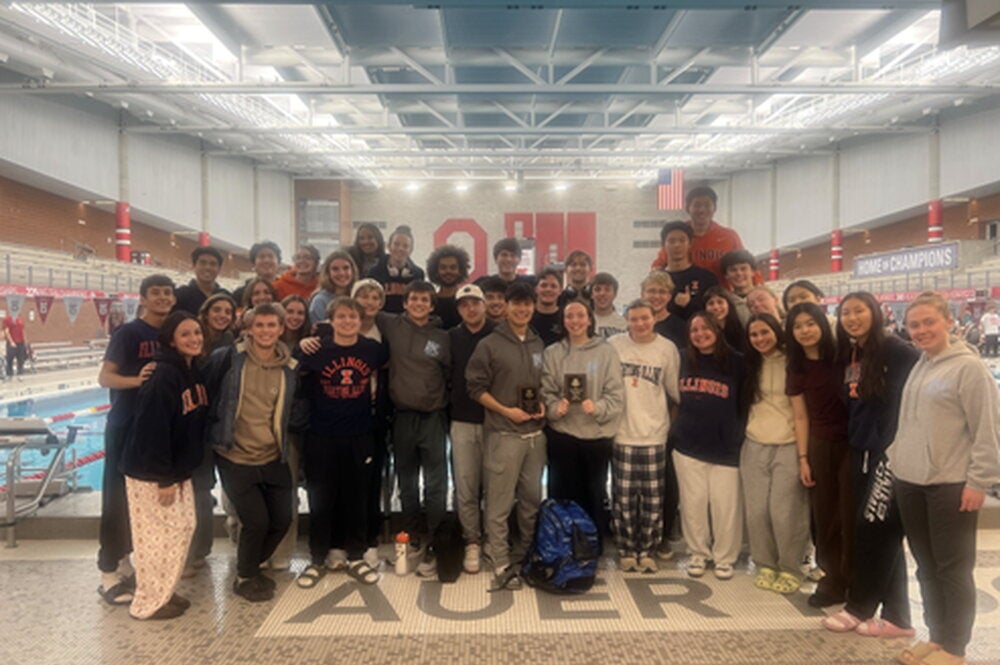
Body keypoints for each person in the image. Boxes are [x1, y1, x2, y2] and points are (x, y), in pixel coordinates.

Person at [888, 292, 1000, 665]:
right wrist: (896, 460)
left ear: (949, 321)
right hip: (912, 481)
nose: (921, 330)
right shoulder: (922, 364)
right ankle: (936, 637)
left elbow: (987, 430)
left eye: (929, 322)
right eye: (914, 324)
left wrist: (979, 482)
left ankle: (956, 648)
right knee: (926, 566)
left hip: (950, 484)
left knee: (953, 568)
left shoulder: (968, 368)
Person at [821, 292, 919, 638]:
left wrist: (895, 443)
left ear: (874, 313)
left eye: (858, 311)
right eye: (845, 312)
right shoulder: (854, 353)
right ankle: (898, 618)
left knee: (875, 531)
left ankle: (860, 606)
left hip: (888, 453)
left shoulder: (898, 350)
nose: (851, 318)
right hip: (862, 450)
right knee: (878, 531)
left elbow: (916, 396)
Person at [205, 302, 299, 602]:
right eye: (259, 325)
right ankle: (244, 577)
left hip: (273, 454)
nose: (266, 331)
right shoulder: (228, 359)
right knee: (256, 521)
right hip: (235, 455)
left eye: (272, 325)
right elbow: (207, 396)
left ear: (281, 329)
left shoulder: (289, 367)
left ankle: (253, 564)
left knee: (283, 518)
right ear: (249, 329)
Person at [119, 311, 209, 620]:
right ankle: (147, 603)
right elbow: (151, 430)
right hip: (153, 474)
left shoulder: (189, 369)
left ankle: (163, 592)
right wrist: (163, 478)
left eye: (197, 332)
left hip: (177, 470)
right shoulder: (162, 376)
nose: (194, 338)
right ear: (171, 339)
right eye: (186, 334)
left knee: (181, 530)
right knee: (156, 540)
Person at [295, 297, 386, 589]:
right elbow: (292, 370)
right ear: (331, 320)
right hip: (321, 435)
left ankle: (356, 555)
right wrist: (305, 343)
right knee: (321, 497)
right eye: (342, 317)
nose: (348, 322)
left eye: (353, 317)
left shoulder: (372, 350)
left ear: (361, 321)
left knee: (357, 496)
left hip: (359, 434)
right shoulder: (315, 348)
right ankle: (318, 556)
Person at [96, 274, 175, 606]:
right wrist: (136, 380)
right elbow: (104, 377)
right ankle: (107, 572)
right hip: (126, 426)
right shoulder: (128, 333)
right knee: (116, 500)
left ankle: (127, 562)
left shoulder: (171, 335)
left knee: (142, 504)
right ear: (142, 298)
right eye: (155, 293)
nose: (162, 298)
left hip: (154, 428)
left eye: (167, 292)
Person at [466, 281, 546, 591]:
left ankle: (525, 554)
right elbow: (475, 388)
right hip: (503, 435)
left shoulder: (539, 342)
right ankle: (498, 559)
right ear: (505, 307)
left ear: (533, 307)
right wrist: (505, 410)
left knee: (530, 502)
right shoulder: (489, 344)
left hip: (535, 436)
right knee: (499, 504)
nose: (523, 309)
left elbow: (544, 385)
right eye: (517, 304)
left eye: (528, 304)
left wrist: (541, 406)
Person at [377, 281, 450, 576]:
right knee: (407, 484)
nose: (419, 303)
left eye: (425, 300)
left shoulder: (443, 338)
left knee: (436, 484)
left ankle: (434, 541)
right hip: (403, 417)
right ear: (405, 303)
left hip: (433, 417)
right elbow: (358, 310)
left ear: (432, 305)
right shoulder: (391, 325)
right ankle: (411, 540)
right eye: (414, 299)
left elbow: (451, 374)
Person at [785, 301, 853, 608]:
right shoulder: (796, 367)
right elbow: (801, 417)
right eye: (798, 326)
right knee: (824, 516)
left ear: (822, 324)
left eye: (810, 323)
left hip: (855, 442)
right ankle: (833, 580)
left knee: (850, 514)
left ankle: (857, 578)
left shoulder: (844, 356)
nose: (805, 330)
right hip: (821, 445)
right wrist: (803, 458)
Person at [608, 299, 680, 573]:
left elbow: (675, 392)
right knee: (623, 498)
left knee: (652, 500)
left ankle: (647, 550)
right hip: (622, 433)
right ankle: (627, 550)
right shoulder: (614, 345)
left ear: (654, 318)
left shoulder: (666, 348)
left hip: (654, 435)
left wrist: (668, 425)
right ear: (627, 321)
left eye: (644, 318)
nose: (639, 324)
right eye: (634, 319)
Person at [672, 312, 745, 580]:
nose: (700, 333)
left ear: (716, 329)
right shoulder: (681, 358)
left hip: (726, 445)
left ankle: (725, 557)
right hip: (688, 443)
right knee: (693, 504)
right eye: (694, 330)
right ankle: (698, 553)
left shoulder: (737, 361)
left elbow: (746, 401)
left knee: (725, 506)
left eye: (705, 328)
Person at [541, 299, 623, 536]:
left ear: (589, 319)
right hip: (562, 435)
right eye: (569, 316)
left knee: (594, 493)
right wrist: (556, 407)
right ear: (563, 321)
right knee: (562, 493)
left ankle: (592, 545)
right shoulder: (553, 353)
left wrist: (597, 407)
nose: (575, 321)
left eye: (580, 315)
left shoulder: (606, 351)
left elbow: (616, 393)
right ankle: (562, 545)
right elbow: (545, 391)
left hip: (596, 437)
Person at [740, 313, 809, 594]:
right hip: (754, 443)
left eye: (764, 332)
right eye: (754, 334)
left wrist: (803, 456)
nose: (760, 339)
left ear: (776, 331)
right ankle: (765, 563)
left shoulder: (792, 361)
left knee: (785, 512)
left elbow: (801, 413)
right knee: (756, 511)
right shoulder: (749, 364)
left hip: (788, 444)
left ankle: (791, 567)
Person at [448, 284, 496, 574]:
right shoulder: (451, 337)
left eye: (475, 303)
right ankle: (472, 541)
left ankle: (493, 538)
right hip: (462, 420)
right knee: (466, 486)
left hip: (495, 420)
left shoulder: (499, 334)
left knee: (495, 488)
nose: (471, 308)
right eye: (464, 304)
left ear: (485, 304)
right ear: (459, 309)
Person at [351, 279, 390, 566]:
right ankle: (344, 538)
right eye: (363, 296)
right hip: (342, 414)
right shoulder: (334, 329)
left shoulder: (385, 333)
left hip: (375, 415)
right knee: (346, 480)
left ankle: (370, 538)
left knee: (373, 478)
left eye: (375, 297)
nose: (369, 301)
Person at [651, 186, 745, 283]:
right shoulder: (678, 236)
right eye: (697, 205)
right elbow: (659, 264)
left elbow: (745, 264)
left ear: (715, 208)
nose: (701, 210)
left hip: (719, 294)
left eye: (707, 205)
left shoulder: (729, 236)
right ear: (688, 208)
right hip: (686, 294)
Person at [658, 221, 719, 320]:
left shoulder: (707, 278)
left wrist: (689, 304)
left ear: (690, 244)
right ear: (663, 245)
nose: (677, 245)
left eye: (682, 240)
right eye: (671, 241)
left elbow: (715, 314)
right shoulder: (656, 280)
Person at [368, 225, 425, 314]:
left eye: (405, 246)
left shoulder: (418, 274)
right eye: (396, 244)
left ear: (411, 250)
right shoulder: (374, 272)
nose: (400, 249)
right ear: (389, 246)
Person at [172, 246, 229, 315]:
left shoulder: (226, 296)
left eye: (213, 264)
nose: (207, 267)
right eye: (202, 263)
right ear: (194, 265)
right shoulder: (180, 295)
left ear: (219, 269)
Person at [426, 244, 471, 330]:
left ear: (460, 271)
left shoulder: (466, 301)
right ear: (436, 271)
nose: (448, 271)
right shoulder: (430, 302)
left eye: (453, 267)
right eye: (443, 267)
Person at [308, 250, 359, 324]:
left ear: (352, 270)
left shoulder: (359, 297)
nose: (341, 273)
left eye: (346, 268)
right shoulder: (320, 301)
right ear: (328, 273)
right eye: (335, 269)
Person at [642, 271, 685, 350]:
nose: (657, 296)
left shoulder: (680, 327)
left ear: (669, 297)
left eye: (662, 292)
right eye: (652, 291)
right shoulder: (633, 324)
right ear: (642, 294)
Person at [232, 241, 281, 306]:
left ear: (278, 263)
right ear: (253, 264)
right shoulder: (239, 294)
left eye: (270, 256)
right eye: (261, 256)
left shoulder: (286, 290)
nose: (266, 260)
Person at [703, 286, 745, 352]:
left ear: (729, 305)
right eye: (711, 303)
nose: (716, 307)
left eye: (720, 302)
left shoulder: (741, 326)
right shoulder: (704, 333)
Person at [531, 267, 564, 346]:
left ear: (560, 290)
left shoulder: (566, 318)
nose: (548, 289)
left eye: (553, 286)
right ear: (536, 289)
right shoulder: (526, 316)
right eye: (544, 285)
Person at [720, 249, 755, 324]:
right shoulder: (724, 303)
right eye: (733, 270)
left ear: (752, 272)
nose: (739, 273)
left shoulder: (767, 296)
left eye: (743, 268)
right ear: (726, 275)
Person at [591, 272, 627, 339]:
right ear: (591, 294)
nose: (602, 293)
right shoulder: (584, 321)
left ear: (615, 294)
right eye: (597, 289)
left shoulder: (624, 323)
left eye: (607, 289)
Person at [3, 310, 28, 379]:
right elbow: (6, 331)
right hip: (12, 343)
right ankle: (9, 374)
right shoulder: (7, 319)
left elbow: (23, 330)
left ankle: (20, 373)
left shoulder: (20, 319)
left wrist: (25, 341)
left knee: (21, 359)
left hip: (21, 342)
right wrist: (11, 341)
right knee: (10, 360)